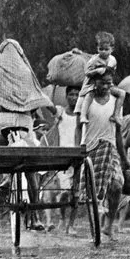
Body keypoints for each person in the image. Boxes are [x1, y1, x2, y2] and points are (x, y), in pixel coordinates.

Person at [78, 66, 128, 239]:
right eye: (102, 83)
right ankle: (96, 222)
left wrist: (124, 157)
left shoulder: (116, 101)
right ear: (94, 83)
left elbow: (118, 130)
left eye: (109, 83)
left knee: (117, 186)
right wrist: (78, 149)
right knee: (92, 189)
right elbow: (79, 126)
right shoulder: (87, 99)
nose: (106, 86)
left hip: (110, 146)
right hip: (90, 147)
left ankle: (110, 224)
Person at [41, 85, 81, 233]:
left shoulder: (82, 114)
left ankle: (70, 225)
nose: (74, 98)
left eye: (77, 94)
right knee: (64, 192)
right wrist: (51, 88)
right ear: (67, 96)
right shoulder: (61, 112)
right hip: (62, 157)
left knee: (76, 193)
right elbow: (49, 106)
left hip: (77, 156)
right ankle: (63, 219)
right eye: (71, 94)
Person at [74, 31, 119, 117]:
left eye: (106, 49)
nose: (103, 52)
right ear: (97, 48)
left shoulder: (113, 59)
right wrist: (96, 71)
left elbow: (112, 71)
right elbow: (87, 72)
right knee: (86, 95)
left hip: (107, 83)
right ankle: (81, 113)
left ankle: (116, 115)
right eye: (101, 49)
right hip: (93, 83)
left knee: (121, 94)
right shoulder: (94, 60)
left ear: (112, 49)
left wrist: (108, 75)